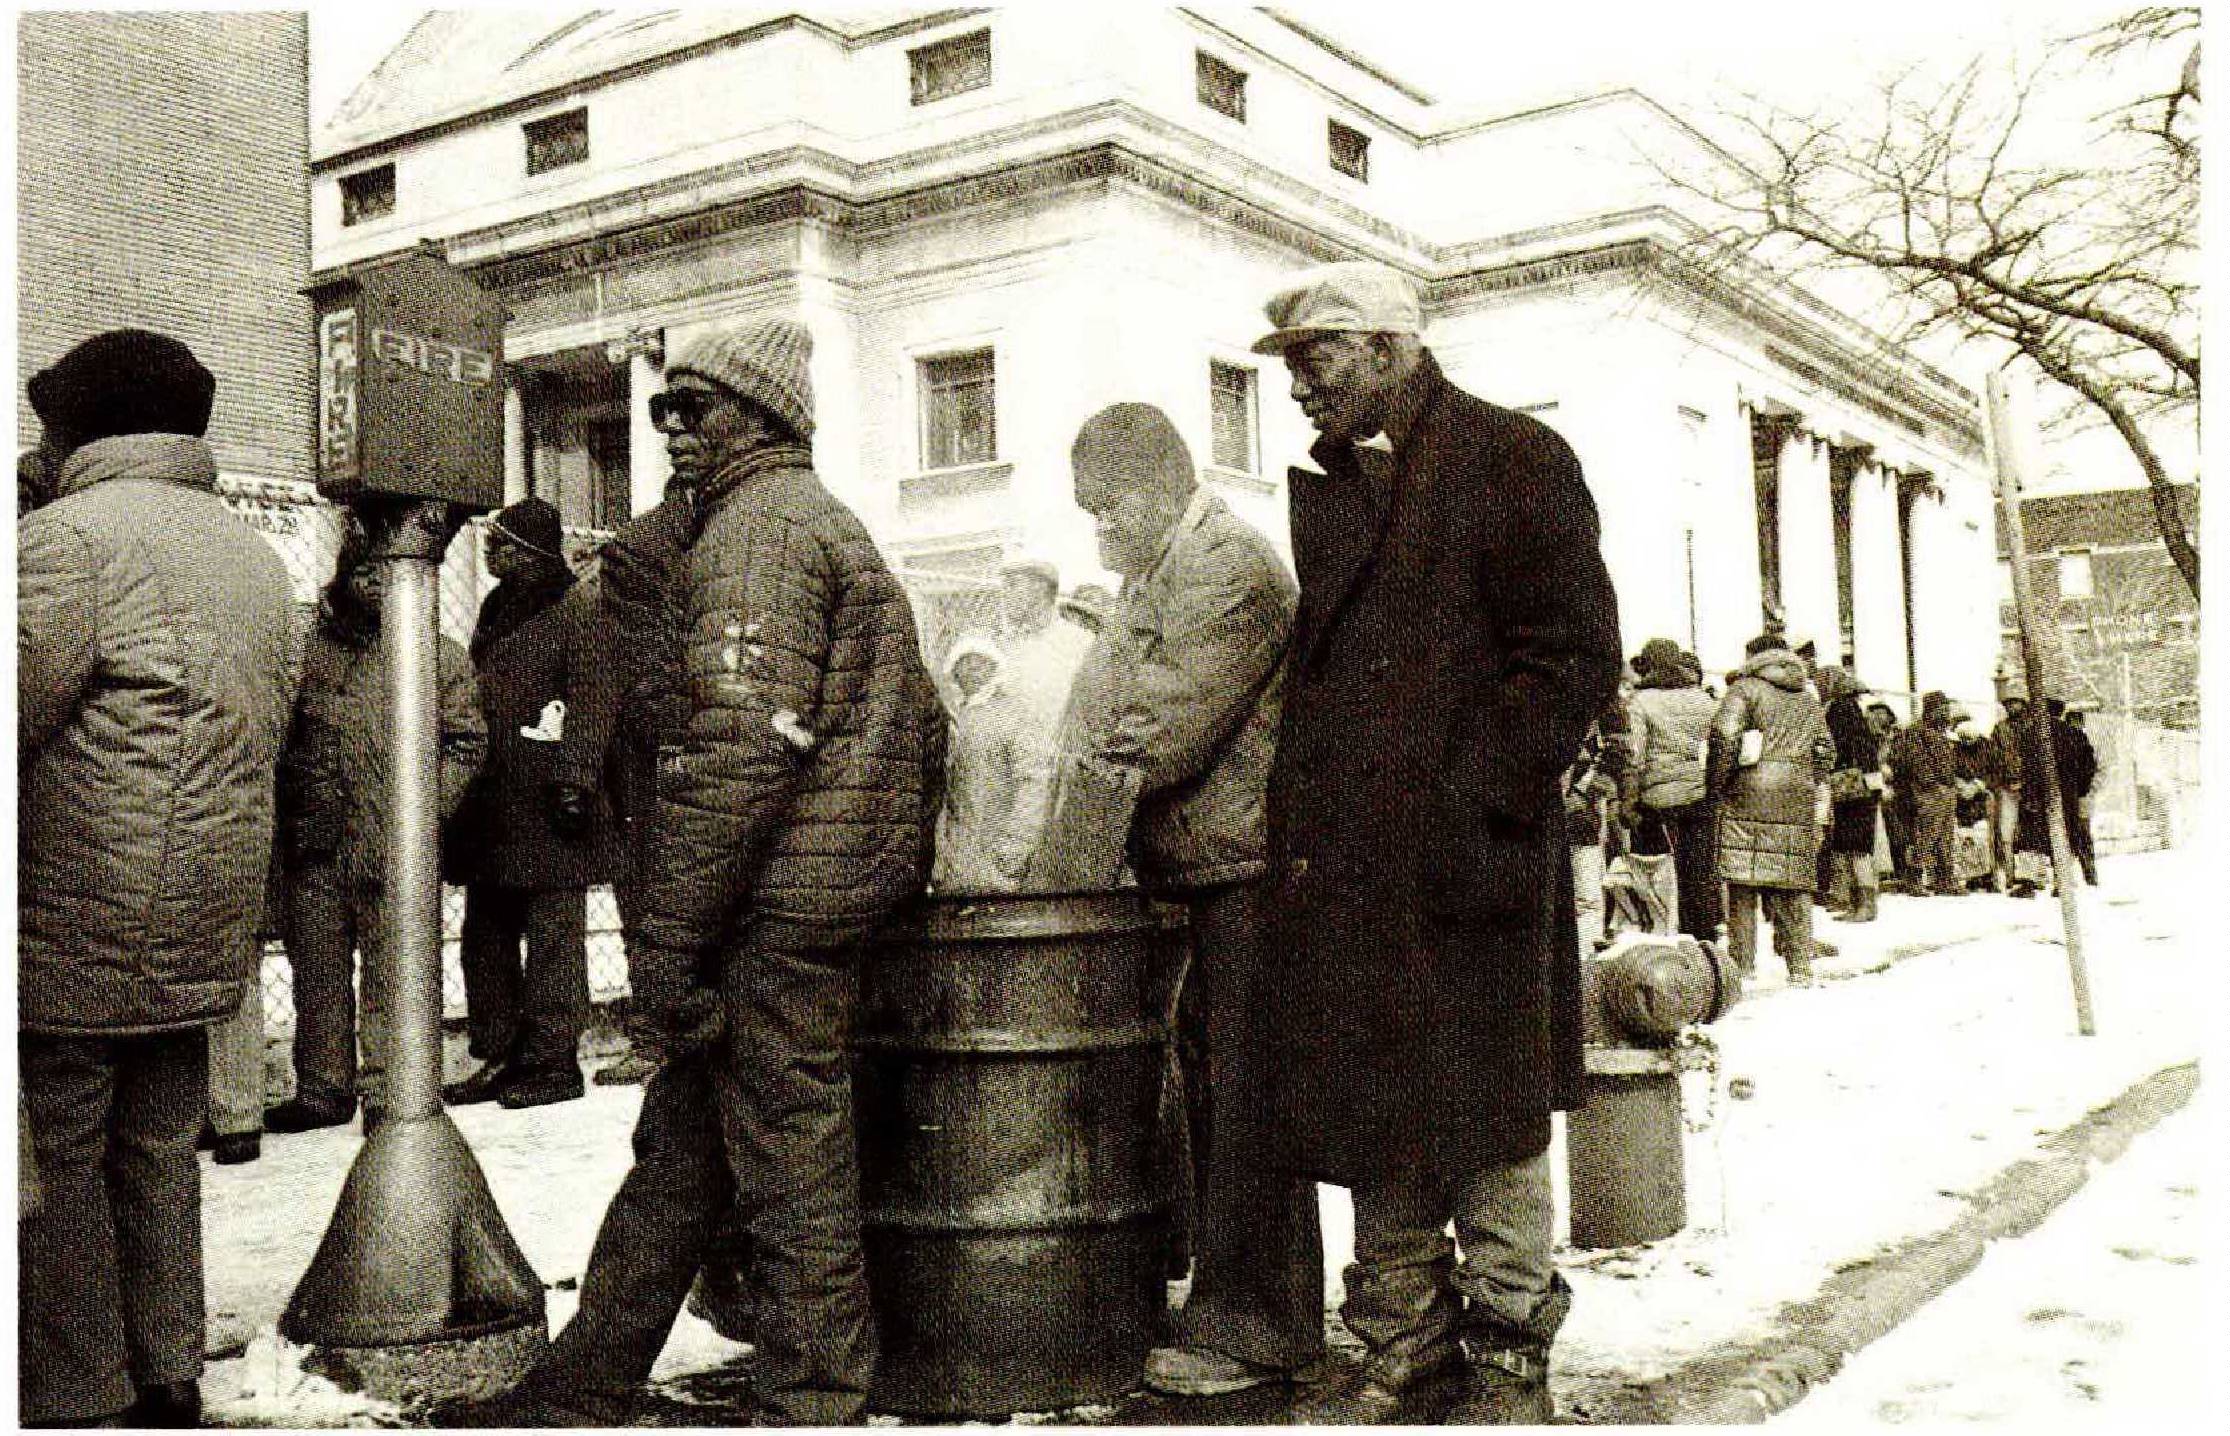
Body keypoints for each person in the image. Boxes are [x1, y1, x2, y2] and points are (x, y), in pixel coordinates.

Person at [485, 318, 946, 1427]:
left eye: (701, 409)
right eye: (664, 409)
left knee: (788, 1165)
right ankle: (588, 1376)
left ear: (769, 417)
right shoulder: (798, 523)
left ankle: (813, 1400)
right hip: (804, 888)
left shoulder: (757, 535)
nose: (675, 428)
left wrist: (672, 938)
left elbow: (737, 756)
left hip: (770, 908)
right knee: (687, 1144)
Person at [1249, 262, 1622, 1425]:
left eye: (1314, 362)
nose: (1299, 390)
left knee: (1488, 1106)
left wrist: (1477, 804)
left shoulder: (1512, 457)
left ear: (1386, 347)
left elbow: (1566, 655)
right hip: (1357, 868)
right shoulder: (1345, 479)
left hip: (1470, 856)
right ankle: (1402, 1339)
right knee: (1373, 1100)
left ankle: (1508, 1348)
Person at [17, 329, 295, 1427]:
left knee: (61, 1158)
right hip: (203, 915)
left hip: (74, 909)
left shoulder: (67, 541)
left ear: (79, 427)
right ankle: (168, 1369)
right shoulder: (254, 556)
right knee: (161, 1150)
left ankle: (77, 1389)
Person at [1060, 403, 1322, 1399]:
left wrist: (1076, 810)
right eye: (1088, 512)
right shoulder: (1158, 571)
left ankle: (1259, 1321)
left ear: (1163, 482)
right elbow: (1094, 707)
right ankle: (1236, 1301)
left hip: (1245, 871)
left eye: (1109, 505)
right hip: (1196, 869)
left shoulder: (1230, 567)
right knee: (1214, 1093)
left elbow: (1150, 729)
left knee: (1250, 1099)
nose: (1100, 528)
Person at [263, 523, 488, 1134]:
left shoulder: (437, 655)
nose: (369, 582)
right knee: (318, 972)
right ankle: (323, 1088)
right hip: (319, 838)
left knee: (395, 971)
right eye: (358, 569)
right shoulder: (311, 649)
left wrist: (424, 813)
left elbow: (466, 744)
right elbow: (283, 737)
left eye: (380, 571)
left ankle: (392, 1089)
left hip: (397, 844)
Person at [444, 497, 622, 1111]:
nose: (491, 553)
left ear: (532, 553)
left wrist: (576, 780)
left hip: (551, 801)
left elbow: (593, 699)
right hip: (495, 802)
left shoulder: (579, 610)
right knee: (484, 933)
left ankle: (552, 1063)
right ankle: (499, 1052)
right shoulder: (498, 607)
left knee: (552, 940)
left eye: (502, 546)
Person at [1708, 636, 1835, 985]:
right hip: (1797, 792)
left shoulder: (1744, 690)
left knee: (1743, 881)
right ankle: (1800, 965)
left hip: (1748, 789)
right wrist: (1811, 779)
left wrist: (1716, 783)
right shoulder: (1807, 699)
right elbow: (1825, 750)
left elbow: (1724, 737)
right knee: (1794, 881)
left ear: (1754, 658)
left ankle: (1743, 965)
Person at [1621, 638, 1722, 944]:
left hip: (1657, 801)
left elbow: (1634, 756)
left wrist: (1628, 800)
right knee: (1698, 871)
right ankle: (1704, 937)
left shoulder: (1640, 702)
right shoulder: (1703, 699)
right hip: (1699, 795)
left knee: (1658, 873)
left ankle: (1667, 937)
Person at [931, 634, 1049, 892]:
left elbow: (1035, 783)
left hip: (999, 861)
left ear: (995, 667)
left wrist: (1015, 847)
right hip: (956, 860)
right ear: (954, 671)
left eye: (980, 661)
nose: (972, 669)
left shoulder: (1015, 715)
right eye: (964, 662)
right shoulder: (951, 716)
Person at [1816, 666, 1884, 922]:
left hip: (1850, 788)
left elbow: (1835, 748)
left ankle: (1863, 905)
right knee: (1860, 847)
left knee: (1854, 846)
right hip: (1865, 786)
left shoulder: (1838, 711)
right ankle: (1862, 902)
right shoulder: (1856, 712)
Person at [1885, 692, 1961, 895]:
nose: (1945, 712)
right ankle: (1916, 878)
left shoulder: (1941, 734)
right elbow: (1916, 760)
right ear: (1931, 710)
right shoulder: (1916, 732)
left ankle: (1944, 878)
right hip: (1929, 791)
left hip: (1945, 789)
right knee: (1926, 835)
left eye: (1946, 707)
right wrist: (1930, 783)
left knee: (1945, 836)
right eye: (1941, 708)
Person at [1987, 694, 2029, 891]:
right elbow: (1993, 757)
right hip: (2005, 787)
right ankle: (2010, 874)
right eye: (2009, 704)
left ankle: (2029, 874)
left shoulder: (2032, 727)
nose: (2012, 706)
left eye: (2016, 702)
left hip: (2029, 788)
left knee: (2028, 831)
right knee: (2006, 832)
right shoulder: (2000, 729)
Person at [2056, 702, 2100, 886]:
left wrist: (2086, 789)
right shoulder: (2070, 742)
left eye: (2077, 721)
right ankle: (2083, 872)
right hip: (2073, 794)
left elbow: (2092, 769)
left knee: (2081, 832)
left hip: (2081, 794)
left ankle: (2088, 871)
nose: (2075, 724)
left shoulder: (2084, 742)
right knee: (2076, 832)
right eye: (2072, 721)